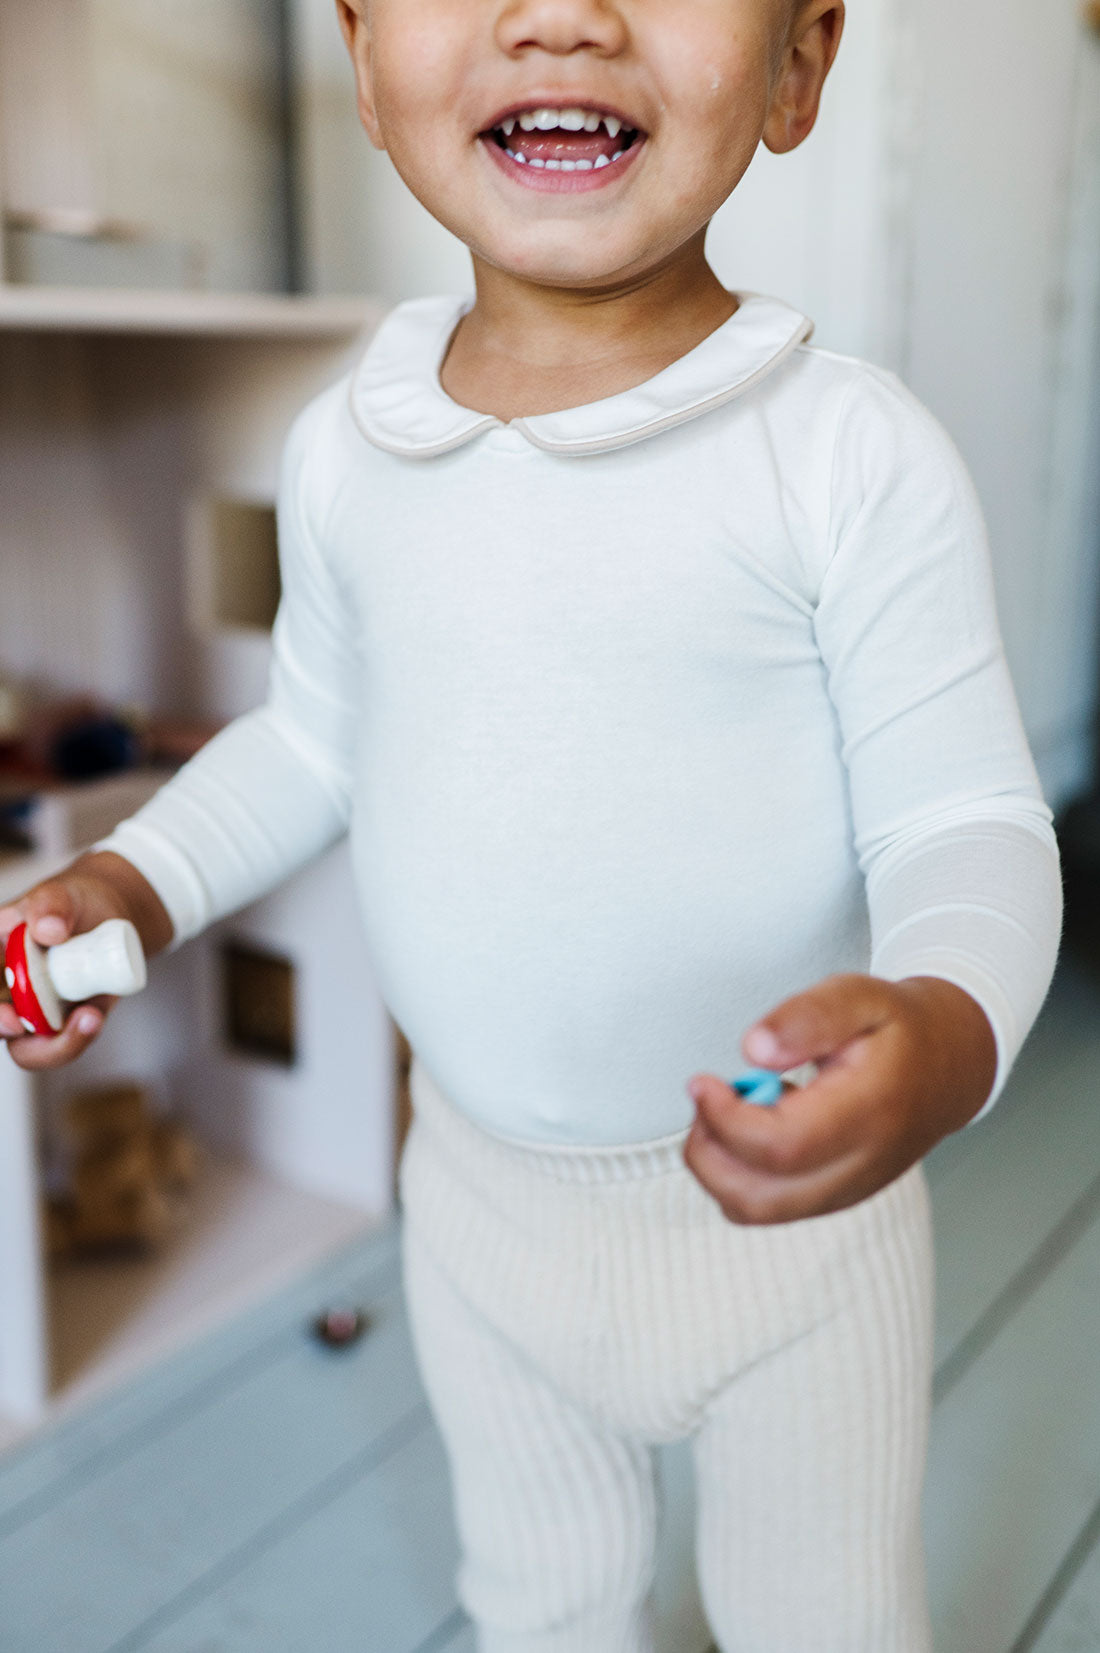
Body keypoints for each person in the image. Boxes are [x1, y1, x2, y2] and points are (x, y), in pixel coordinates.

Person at [0, 0, 1062, 1645]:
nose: (558, 12)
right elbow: (307, 741)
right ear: (361, 58)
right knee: (540, 1604)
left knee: (831, 1620)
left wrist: (942, 1024)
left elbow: (971, 814)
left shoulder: (845, 458)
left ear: (799, 61)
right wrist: (140, 878)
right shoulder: (351, 454)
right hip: (481, 1216)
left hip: (794, 1243)